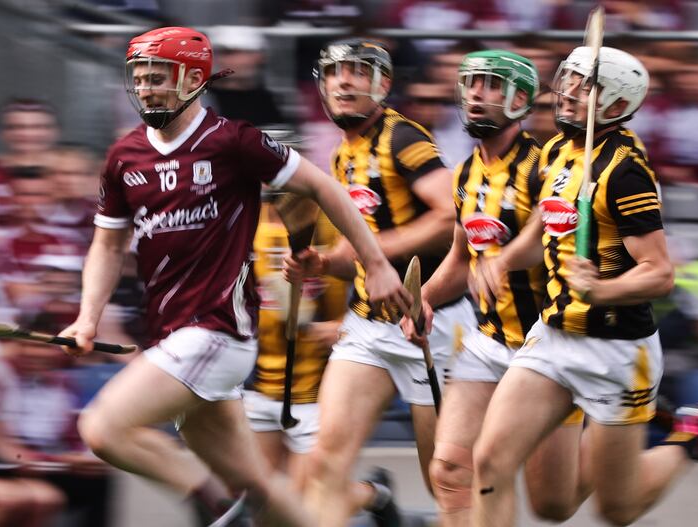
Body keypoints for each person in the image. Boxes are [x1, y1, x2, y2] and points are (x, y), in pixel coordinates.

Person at [58, 26, 410, 527]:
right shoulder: (123, 157)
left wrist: (375, 263)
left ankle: (218, 509)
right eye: (138, 78)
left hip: (216, 332)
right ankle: (246, 509)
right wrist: (87, 319)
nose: (144, 89)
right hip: (173, 336)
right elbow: (108, 244)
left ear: (192, 80)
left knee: (101, 428)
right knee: (263, 493)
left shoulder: (233, 141)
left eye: (157, 78)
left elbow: (324, 188)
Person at [468, 46, 698, 527]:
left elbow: (659, 272)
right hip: (552, 336)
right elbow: (544, 228)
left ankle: (690, 438)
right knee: (498, 469)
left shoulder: (625, 172)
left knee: (617, 510)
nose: (568, 91)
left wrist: (601, 291)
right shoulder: (555, 150)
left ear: (617, 104)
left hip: (616, 351)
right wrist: (501, 262)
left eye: (585, 85)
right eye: (568, 79)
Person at [284, 38, 472, 527]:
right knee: (325, 463)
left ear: (383, 85)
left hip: (431, 324)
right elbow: (359, 256)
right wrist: (323, 263)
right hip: (368, 326)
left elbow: (451, 217)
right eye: (334, 73)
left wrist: (375, 251)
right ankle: (374, 501)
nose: (344, 81)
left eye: (358, 72)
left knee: (446, 479)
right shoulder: (341, 156)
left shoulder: (402, 139)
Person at [401, 49, 591, 526]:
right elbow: (461, 257)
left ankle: (663, 436)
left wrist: (505, 260)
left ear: (520, 99)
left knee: (552, 504)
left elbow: (549, 239)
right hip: (487, 341)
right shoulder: (466, 173)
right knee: (451, 469)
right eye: (470, 84)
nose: (475, 95)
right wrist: (425, 299)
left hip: (548, 346)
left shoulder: (544, 166)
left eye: (489, 85)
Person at [244, 191, 347, 490]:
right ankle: (374, 495)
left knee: (304, 504)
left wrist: (342, 330)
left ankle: (373, 495)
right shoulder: (248, 220)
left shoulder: (331, 223)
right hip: (259, 390)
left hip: (314, 397)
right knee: (266, 502)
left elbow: (372, 291)